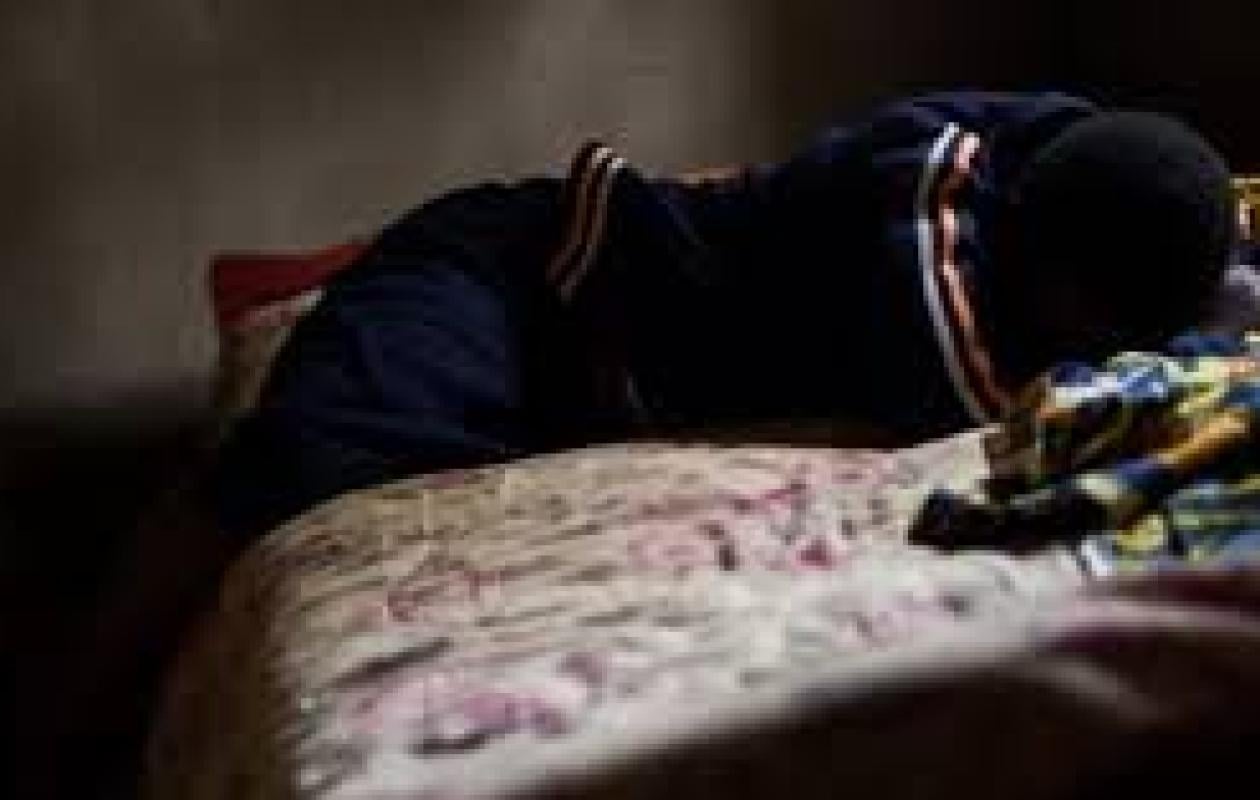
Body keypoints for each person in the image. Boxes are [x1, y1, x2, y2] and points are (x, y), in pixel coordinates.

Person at [213, 91, 1237, 539]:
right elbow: (966, 393)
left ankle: (337, 277)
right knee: (308, 462)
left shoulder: (1066, 165)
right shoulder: (925, 201)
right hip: (525, 280)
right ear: (1032, 248)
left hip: (614, 379)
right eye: (1086, 320)